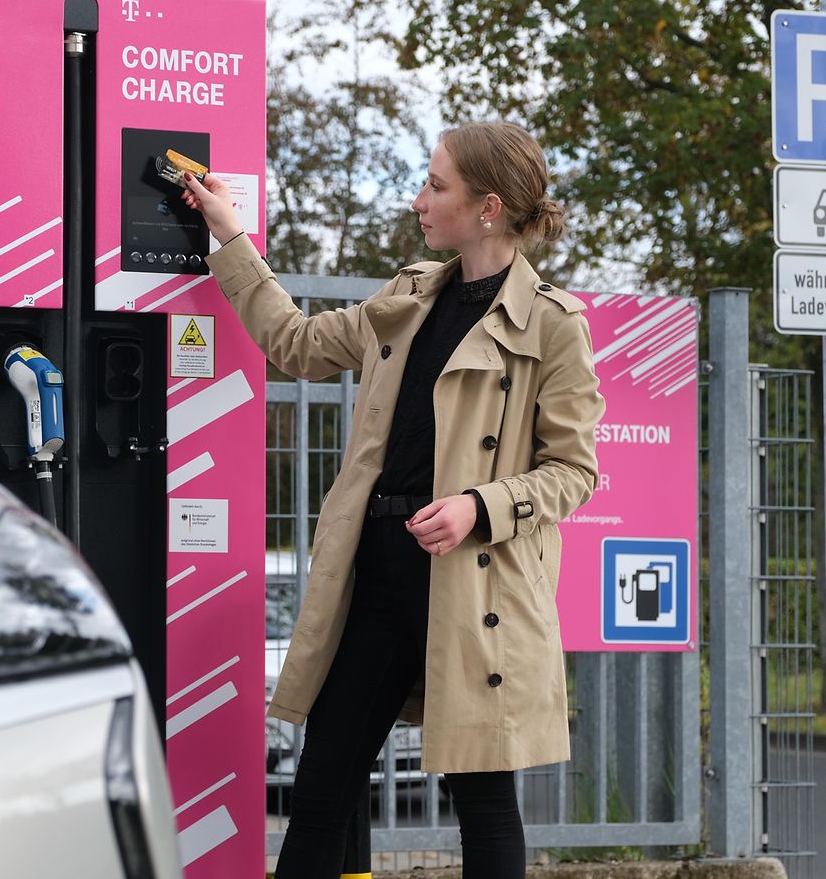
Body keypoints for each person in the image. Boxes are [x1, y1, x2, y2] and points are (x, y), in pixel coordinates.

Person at [183, 121, 605, 879]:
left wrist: (481, 504)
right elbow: (297, 343)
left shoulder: (552, 325)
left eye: (436, 185)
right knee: (320, 793)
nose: (418, 200)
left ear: (488, 208)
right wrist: (228, 237)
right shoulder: (411, 295)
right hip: (377, 573)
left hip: (478, 589)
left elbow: (574, 470)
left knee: (482, 802)